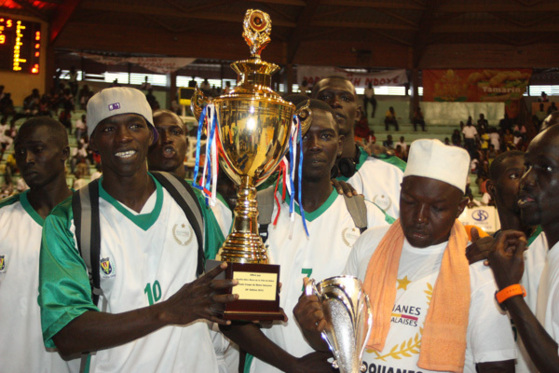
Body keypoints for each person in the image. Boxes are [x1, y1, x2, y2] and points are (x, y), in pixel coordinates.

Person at [38, 87, 238, 372]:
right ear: (92, 141)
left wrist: (259, 289)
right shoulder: (68, 220)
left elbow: (221, 281)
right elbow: (67, 334)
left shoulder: (190, 200)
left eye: (135, 125)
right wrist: (166, 311)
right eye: (108, 128)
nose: (123, 138)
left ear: (151, 135)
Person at [295, 139, 516, 373]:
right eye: (410, 202)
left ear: (460, 207)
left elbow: (497, 366)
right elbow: (344, 345)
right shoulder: (369, 244)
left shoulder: (478, 268)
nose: (420, 217)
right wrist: (312, 328)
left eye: (437, 208)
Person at [221, 99, 390, 373]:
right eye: (302, 135)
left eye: (325, 136)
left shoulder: (368, 220)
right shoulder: (253, 214)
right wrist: (293, 366)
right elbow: (232, 317)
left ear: (340, 145)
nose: (314, 145)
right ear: (284, 145)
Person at [0, 117, 78, 372]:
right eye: (21, 151)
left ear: (64, 153)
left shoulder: (94, 221)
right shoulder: (2, 219)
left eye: (37, 149)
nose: (27, 159)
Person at [486, 125, 559, 372]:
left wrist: (510, 292)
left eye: (545, 169)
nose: (526, 181)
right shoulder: (542, 248)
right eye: (528, 167)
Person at [311, 77, 405, 218]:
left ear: (358, 113)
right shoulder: (288, 179)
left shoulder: (397, 173)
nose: (335, 103)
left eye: (345, 98)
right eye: (325, 97)